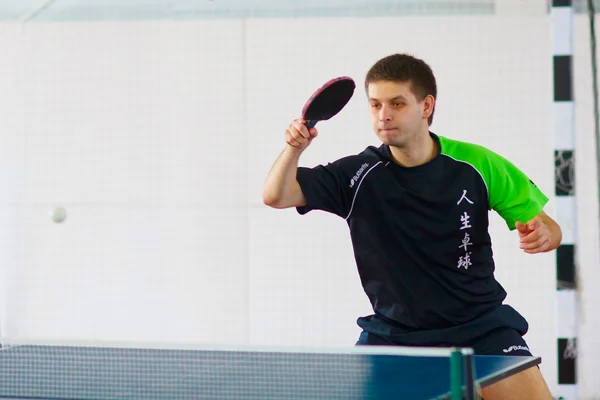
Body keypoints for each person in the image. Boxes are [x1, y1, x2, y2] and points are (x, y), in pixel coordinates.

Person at [262, 53, 560, 399]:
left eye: (397, 103)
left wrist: (543, 234)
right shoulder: (357, 175)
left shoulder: (476, 163)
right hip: (396, 334)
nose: (383, 115)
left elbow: (549, 227)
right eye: (374, 105)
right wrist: (293, 149)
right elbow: (276, 195)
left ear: (426, 105)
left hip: (482, 328)